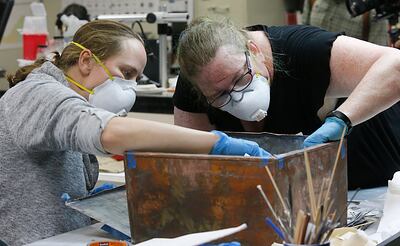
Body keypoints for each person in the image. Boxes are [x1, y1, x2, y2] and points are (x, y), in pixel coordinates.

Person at [0, 20, 270, 245]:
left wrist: (103, 211)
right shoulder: (36, 93)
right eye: (125, 73)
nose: (129, 90)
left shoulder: (69, 102)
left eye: (136, 79)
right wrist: (215, 144)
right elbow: (108, 132)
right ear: (85, 61)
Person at [173, 17, 400, 187]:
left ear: (254, 51)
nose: (238, 97)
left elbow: (396, 65)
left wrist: (342, 119)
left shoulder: (304, 49)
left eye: (241, 78)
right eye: (220, 95)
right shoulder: (198, 81)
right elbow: (190, 163)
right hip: (291, 196)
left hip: (378, 172)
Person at [301, 0, 400, 189]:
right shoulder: (315, 2)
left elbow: (385, 60)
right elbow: (304, 31)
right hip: (321, 89)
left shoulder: (368, 6)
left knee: (367, 172)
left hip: (362, 90)